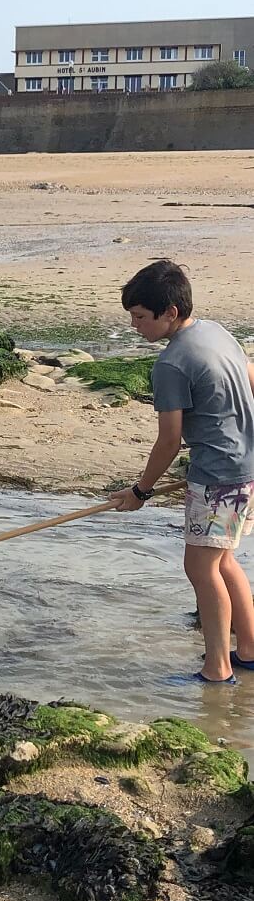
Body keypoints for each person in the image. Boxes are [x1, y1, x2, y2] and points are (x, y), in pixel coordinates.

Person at [109, 260, 254, 684]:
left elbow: (169, 441)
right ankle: (247, 649)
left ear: (169, 313)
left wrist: (140, 491)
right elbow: (248, 376)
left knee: (201, 569)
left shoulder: (171, 365)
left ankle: (217, 668)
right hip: (245, 467)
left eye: (139, 317)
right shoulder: (214, 331)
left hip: (216, 476)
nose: (135, 326)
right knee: (223, 560)